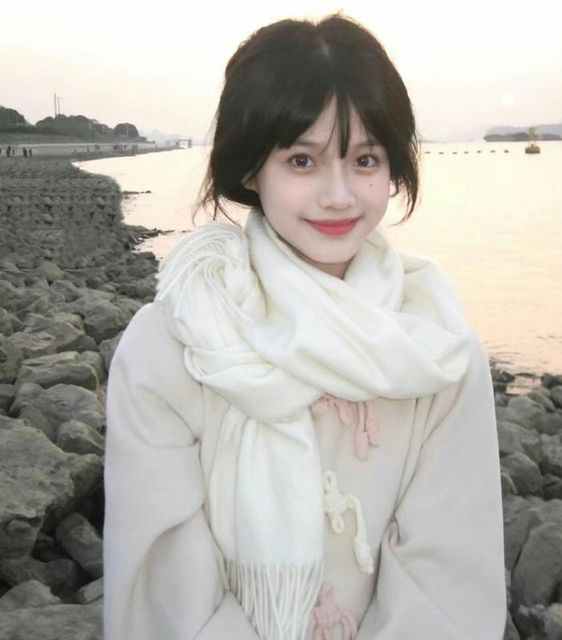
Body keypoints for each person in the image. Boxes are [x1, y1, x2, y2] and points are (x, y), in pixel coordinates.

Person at [103, 13, 506, 640]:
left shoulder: (438, 352)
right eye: (302, 160)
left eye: (365, 159)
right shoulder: (171, 345)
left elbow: (450, 582)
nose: (339, 195)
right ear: (249, 169)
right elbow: (164, 591)